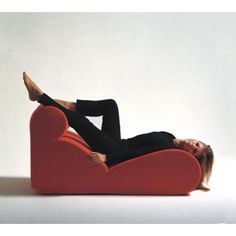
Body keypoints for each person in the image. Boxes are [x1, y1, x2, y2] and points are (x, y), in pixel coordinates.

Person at [22, 72, 214, 192]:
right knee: (110, 106)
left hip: (114, 149)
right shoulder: (170, 137)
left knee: (80, 122)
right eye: (198, 144)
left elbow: (139, 155)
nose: (193, 146)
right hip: (118, 142)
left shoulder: (168, 147)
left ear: (191, 157)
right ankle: (69, 105)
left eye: (196, 151)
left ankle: (40, 97)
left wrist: (108, 158)